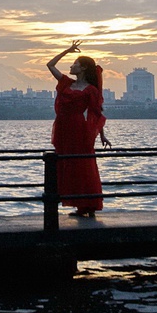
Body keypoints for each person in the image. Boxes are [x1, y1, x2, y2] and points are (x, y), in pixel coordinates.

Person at [46, 40, 110, 217]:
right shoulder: (67, 83)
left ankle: (88, 205)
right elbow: (50, 64)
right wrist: (67, 50)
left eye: (75, 64)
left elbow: (96, 113)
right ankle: (79, 204)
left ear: (82, 69)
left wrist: (102, 135)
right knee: (68, 165)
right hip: (63, 127)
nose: (71, 66)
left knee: (83, 164)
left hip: (78, 129)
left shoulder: (91, 90)